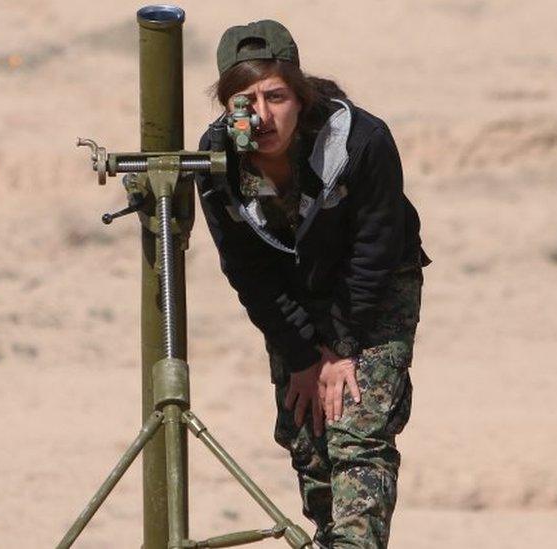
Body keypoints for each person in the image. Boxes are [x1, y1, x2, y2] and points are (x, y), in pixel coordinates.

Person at [195, 20, 430, 549]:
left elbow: (376, 246)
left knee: (357, 433)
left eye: (276, 96)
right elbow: (247, 271)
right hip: (292, 294)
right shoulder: (219, 160)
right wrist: (303, 356)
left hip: (375, 284)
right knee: (309, 437)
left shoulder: (360, 140)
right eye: (244, 100)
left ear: (300, 95)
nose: (261, 114)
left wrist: (342, 347)